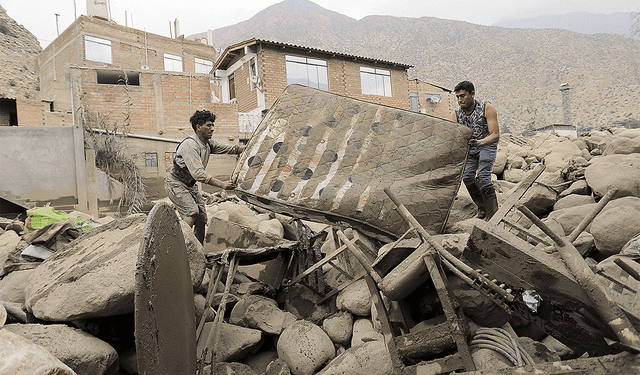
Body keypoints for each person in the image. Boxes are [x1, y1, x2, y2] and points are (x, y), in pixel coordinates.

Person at [165, 110, 246, 244]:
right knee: (191, 213)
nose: (212, 128)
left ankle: (198, 250)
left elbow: (232, 149)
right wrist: (222, 184)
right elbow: (198, 174)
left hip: (190, 185)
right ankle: (177, 246)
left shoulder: (208, 144)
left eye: (213, 125)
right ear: (198, 127)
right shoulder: (191, 145)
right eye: (209, 125)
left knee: (202, 218)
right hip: (176, 184)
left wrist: (254, 146)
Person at [449, 81, 500, 220]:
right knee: (467, 177)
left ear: (472, 94)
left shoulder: (486, 108)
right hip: (470, 149)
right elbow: (453, 136)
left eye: (463, 96)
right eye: (458, 97)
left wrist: (480, 142)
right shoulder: (456, 114)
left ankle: (493, 213)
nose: (460, 99)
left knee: (483, 177)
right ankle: (482, 209)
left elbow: (495, 135)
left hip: (486, 145)